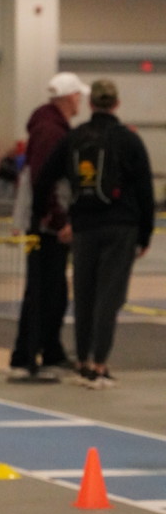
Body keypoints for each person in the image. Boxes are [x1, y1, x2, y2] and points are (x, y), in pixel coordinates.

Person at [31, 78, 154, 389]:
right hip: (121, 226)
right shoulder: (129, 140)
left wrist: (47, 217)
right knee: (109, 296)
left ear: (90, 104)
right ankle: (99, 364)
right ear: (117, 104)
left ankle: (83, 361)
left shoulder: (75, 138)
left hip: (84, 226)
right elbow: (145, 190)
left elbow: (44, 177)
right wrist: (145, 234)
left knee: (84, 294)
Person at [8, 72, 87, 382]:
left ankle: (49, 351)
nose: (80, 101)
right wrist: (57, 219)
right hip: (46, 225)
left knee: (53, 290)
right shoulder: (51, 131)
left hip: (45, 220)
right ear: (68, 97)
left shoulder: (49, 126)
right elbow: (45, 178)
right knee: (44, 291)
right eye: (78, 96)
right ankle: (26, 356)